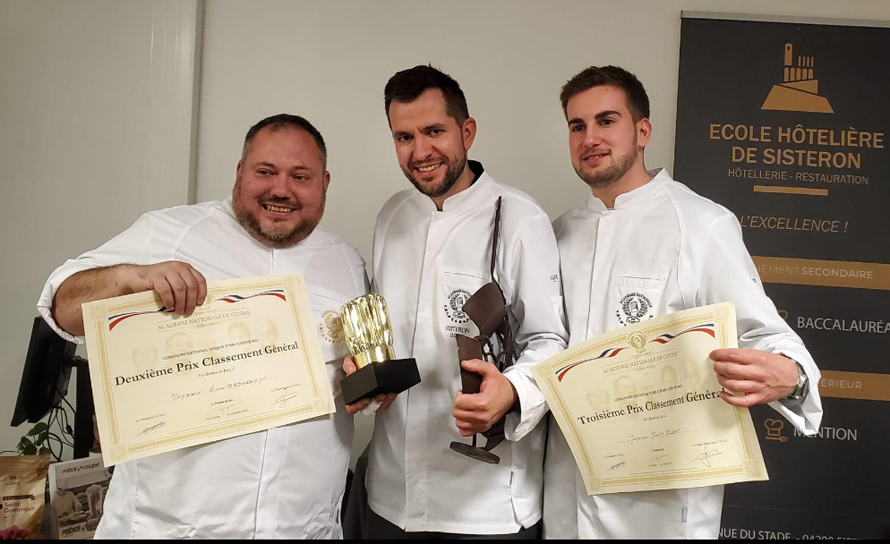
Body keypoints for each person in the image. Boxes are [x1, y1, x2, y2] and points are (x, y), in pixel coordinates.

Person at [37, 114, 368, 539]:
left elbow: (360, 369)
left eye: (299, 176)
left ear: (324, 182)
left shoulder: (347, 263)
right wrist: (133, 277)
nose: (281, 189)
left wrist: (368, 382)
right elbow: (63, 306)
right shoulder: (170, 232)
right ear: (239, 172)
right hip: (167, 529)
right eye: (265, 172)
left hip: (303, 528)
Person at [545, 65, 824, 539]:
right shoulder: (558, 233)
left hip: (661, 506)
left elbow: (769, 337)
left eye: (606, 120)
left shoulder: (700, 223)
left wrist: (792, 376)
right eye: (577, 126)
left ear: (643, 130)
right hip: (565, 495)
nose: (590, 137)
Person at [344, 65, 568, 538]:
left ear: (467, 131)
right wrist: (366, 369)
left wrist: (511, 392)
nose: (420, 151)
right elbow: (385, 327)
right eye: (403, 136)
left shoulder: (520, 218)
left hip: (484, 503)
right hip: (389, 494)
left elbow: (551, 340)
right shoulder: (392, 216)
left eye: (434, 131)